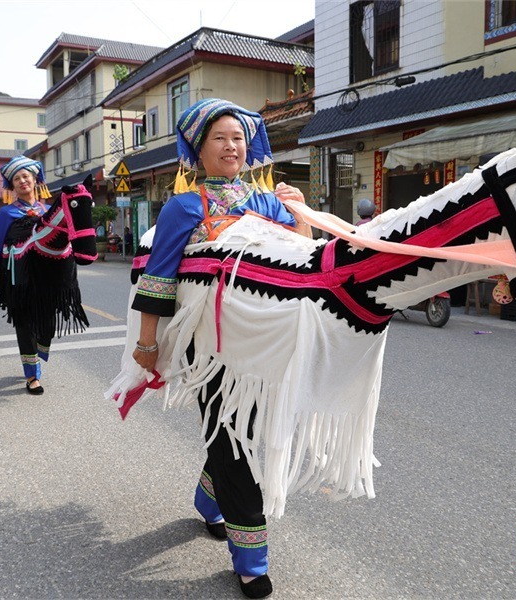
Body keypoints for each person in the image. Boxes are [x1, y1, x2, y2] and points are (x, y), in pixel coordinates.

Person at [130, 98, 312, 599]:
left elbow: (303, 260)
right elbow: (159, 277)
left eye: (238, 137)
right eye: (220, 138)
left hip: (264, 344)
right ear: (199, 149)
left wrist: (300, 216)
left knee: (245, 435)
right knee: (234, 439)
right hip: (209, 348)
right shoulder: (184, 207)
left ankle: (209, 502)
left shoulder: (266, 200)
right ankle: (251, 560)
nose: (232, 146)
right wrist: (147, 342)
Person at [0, 156, 55, 395]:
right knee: (25, 323)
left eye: (26, 176)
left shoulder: (49, 211)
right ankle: (32, 375)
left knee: (46, 325)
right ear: (11, 186)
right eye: (17, 178)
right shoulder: (5, 214)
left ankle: (38, 352)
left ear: (36, 180)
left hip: (46, 278)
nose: (22, 181)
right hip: (16, 278)